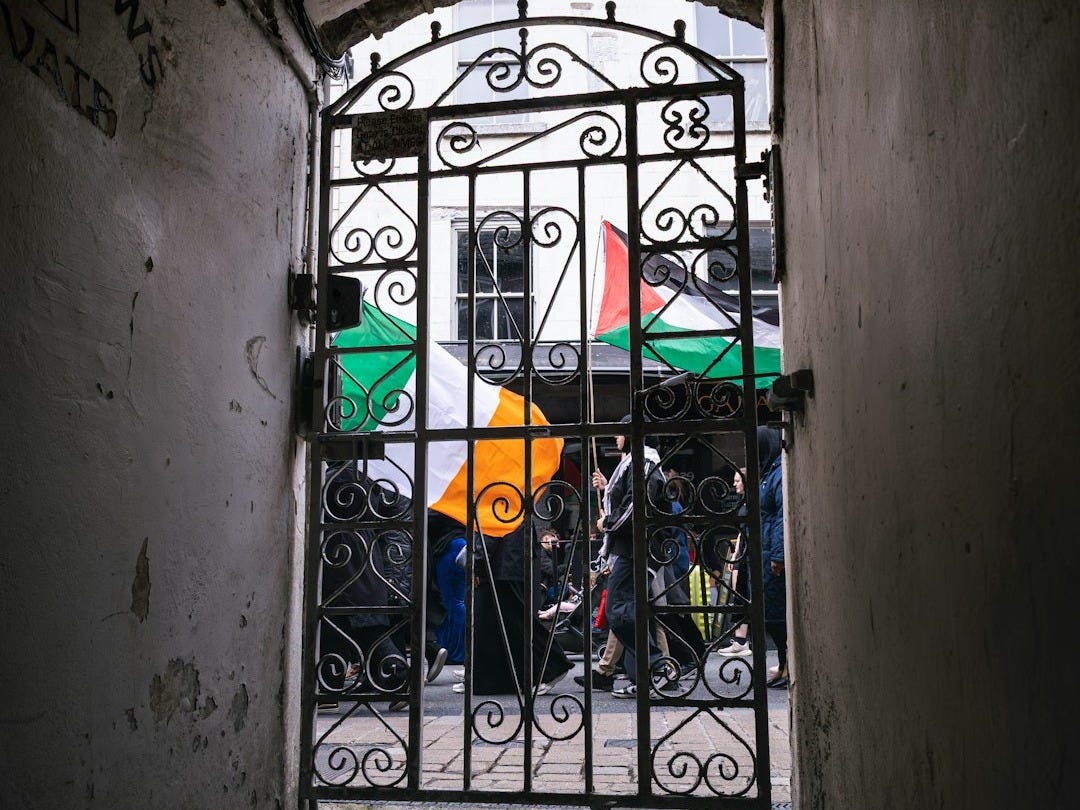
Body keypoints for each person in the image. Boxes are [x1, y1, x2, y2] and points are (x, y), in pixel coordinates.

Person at [590, 414, 677, 699]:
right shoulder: (634, 463)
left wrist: (608, 523)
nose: (616, 438)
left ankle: (659, 668)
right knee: (633, 612)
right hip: (630, 548)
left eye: (620, 433)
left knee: (619, 610)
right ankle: (648, 676)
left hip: (637, 549)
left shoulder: (644, 463)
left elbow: (635, 505)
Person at [455, 521, 572, 696]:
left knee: (510, 622)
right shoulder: (511, 496)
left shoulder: (496, 495)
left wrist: (476, 565)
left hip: (500, 565)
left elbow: (490, 532)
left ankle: (550, 666)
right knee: (501, 624)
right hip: (508, 562)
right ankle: (491, 677)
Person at [757, 426, 789, 688]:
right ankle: (783, 663)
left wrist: (778, 555)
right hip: (763, 552)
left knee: (777, 615)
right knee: (769, 613)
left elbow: (782, 516)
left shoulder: (778, 472)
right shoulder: (767, 472)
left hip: (771, 556)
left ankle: (788, 664)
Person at [717, 468, 752, 657]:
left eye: (738, 480)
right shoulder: (745, 500)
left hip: (749, 553)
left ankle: (742, 641)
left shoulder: (753, 500)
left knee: (743, 594)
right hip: (743, 552)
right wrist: (735, 553)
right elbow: (742, 530)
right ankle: (740, 641)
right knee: (739, 595)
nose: (734, 484)